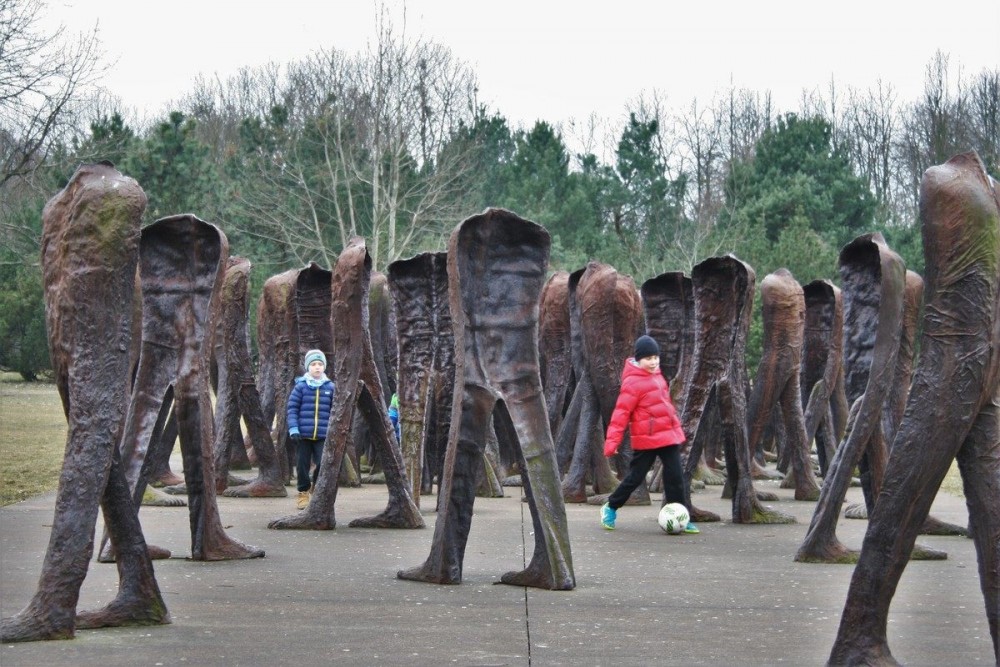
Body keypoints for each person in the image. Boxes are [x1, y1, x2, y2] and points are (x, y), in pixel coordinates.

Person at [601, 334, 699, 534]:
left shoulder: (658, 376)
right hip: (646, 440)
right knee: (635, 478)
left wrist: (675, 428)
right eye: (648, 358)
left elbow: (665, 406)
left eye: (656, 357)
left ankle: (680, 515)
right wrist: (612, 442)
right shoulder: (632, 383)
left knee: (676, 477)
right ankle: (610, 506)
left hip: (667, 436)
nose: (654, 362)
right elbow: (621, 414)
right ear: (638, 360)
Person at [287, 349, 336, 510]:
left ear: (324, 367)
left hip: (323, 435)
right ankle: (303, 492)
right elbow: (292, 408)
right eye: (314, 364)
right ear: (308, 367)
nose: (317, 367)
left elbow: (335, 410)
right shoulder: (301, 387)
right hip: (303, 435)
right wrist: (293, 428)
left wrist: (332, 430)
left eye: (320, 364)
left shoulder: (330, 387)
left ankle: (316, 486)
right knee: (302, 465)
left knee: (323, 463)